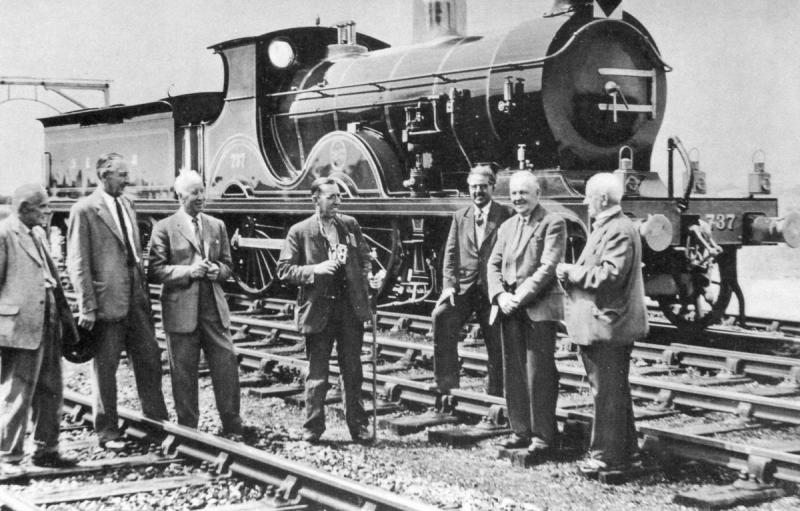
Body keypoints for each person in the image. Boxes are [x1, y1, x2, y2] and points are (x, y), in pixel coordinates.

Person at [67, 153, 168, 449]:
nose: (127, 179)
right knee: (106, 368)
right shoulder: (84, 210)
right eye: (122, 175)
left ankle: (156, 422)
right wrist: (87, 305)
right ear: (104, 175)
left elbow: (134, 253)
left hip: (136, 299)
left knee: (149, 360)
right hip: (106, 302)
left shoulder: (128, 203)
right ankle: (107, 431)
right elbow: (78, 262)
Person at [557, 173, 648, 474]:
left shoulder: (618, 230)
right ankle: (629, 455)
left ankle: (605, 457)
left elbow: (609, 276)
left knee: (606, 394)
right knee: (615, 392)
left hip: (609, 324)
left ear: (603, 199)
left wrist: (571, 272)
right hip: (607, 322)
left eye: (589, 197)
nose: (586, 202)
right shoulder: (611, 226)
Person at [277, 177, 373, 444]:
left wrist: (366, 277)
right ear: (315, 199)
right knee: (317, 372)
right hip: (318, 310)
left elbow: (364, 257)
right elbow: (284, 270)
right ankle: (313, 427)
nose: (337, 201)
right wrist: (314, 270)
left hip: (349, 310)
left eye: (339, 196)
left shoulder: (349, 225)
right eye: (331, 197)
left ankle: (358, 426)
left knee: (353, 370)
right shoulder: (300, 231)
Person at [147, 170, 243, 434]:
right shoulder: (164, 228)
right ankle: (188, 429)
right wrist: (189, 271)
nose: (201, 196)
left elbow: (228, 265)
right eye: (195, 192)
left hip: (213, 309)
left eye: (202, 190)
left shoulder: (217, 225)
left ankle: (232, 425)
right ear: (180, 196)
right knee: (183, 373)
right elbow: (155, 270)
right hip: (181, 312)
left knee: (226, 367)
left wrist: (218, 272)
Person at [487, 171, 566, 460]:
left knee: (539, 374)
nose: (518, 198)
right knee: (514, 373)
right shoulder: (507, 226)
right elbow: (493, 265)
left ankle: (544, 437)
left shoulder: (553, 222)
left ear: (537, 195)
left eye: (524, 193)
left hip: (537, 309)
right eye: (514, 193)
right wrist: (500, 295)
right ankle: (520, 431)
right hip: (509, 309)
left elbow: (548, 267)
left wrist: (519, 297)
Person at [0, 185, 78, 471]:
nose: (48, 212)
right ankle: (9, 455)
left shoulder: (39, 233)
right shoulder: (5, 234)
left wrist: (66, 316)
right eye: (42, 207)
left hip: (48, 321)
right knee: (18, 392)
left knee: (51, 387)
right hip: (20, 325)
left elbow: (52, 277)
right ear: (23, 208)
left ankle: (47, 450)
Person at [432, 165, 512, 396]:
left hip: (492, 290)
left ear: (492, 188)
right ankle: (445, 387)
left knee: (497, 339)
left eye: (483, 187)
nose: (478, 191)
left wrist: (503, 290)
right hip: (464, 289)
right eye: (474, 187)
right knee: (442, 317)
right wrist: (448, 286)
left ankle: (496, 394)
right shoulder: (460, 216)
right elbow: (450, 254)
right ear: (469, 189)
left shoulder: (505, 214)